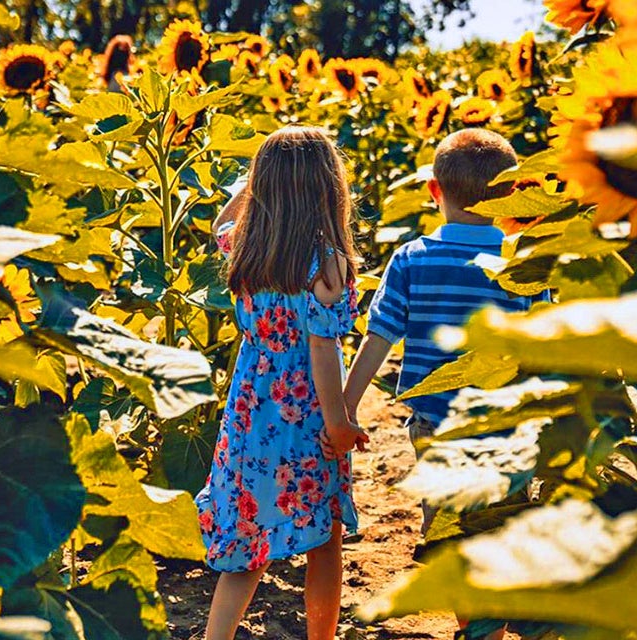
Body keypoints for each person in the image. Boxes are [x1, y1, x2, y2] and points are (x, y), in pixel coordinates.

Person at [196, 126, 369, 640]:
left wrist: (254, 182)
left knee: (248, 541)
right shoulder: (326, 263)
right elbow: (322, 350)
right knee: (325, 540)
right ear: (330, 189)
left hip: (251, 413)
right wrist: (338, 424)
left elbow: (220, 222)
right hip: (306, 418)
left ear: (261, 186)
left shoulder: (245, 249)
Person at [343, 128, 546, 535]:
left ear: (434, 190)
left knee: (443, 526)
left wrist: (346, 407)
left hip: (435, 419)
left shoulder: (411, 259)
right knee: (502, 527)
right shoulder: (523, 262)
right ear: (511, 193)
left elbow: (379, 335)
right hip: (505, 420)